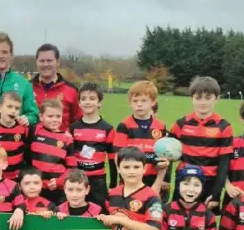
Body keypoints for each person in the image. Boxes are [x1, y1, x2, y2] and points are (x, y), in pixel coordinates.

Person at [170, 76, 233, 212]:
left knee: (204, 224)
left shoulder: (224, 126)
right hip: (184, 180)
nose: (203, 103)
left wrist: (216, 195)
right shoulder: (181, 124)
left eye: (208, 98)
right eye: (198, 98)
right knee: (177, 219)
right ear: (191, 98)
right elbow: (167, 154)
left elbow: (224, 164)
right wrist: (165, 179)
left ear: (216, 99)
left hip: (209, 182)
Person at [113, 80, 170, 190]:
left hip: (153, 183)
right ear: (130, 103)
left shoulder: (161, 127)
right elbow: (118, 157)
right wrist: (125, 180)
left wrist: (158, 184)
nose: (139, 104)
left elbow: (164, 158)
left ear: (153, 102)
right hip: (129, 182)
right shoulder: (124, 126)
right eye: (135, 101)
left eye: (144, 100)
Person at [70, 83, 117, 211]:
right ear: (79, 103)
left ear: (99, 102)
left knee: (100, 213)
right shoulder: (73, 128)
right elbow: (68, 156)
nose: (87, 102)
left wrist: (113, 184)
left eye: (92, 98)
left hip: (98, 181)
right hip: (78, 179)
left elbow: (113, 160)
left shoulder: (107, 129)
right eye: (83, 98)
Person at [25, 99, 77, 204]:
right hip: (36, 187)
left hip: (57, 189)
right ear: (41, 116)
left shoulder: (67, 139)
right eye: (50, 116)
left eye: (58, 116)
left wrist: (60, 181)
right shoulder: (34, 131)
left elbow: (72, 168)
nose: (54, 120)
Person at [31, 43, 82, 131]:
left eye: (49, 60)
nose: (45, 64)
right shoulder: (27, 88)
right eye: (42, 61)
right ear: (36, 62)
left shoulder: (72, 91)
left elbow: (79, 122)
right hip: (32, 143)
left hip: (60, 143)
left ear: (58, 62)